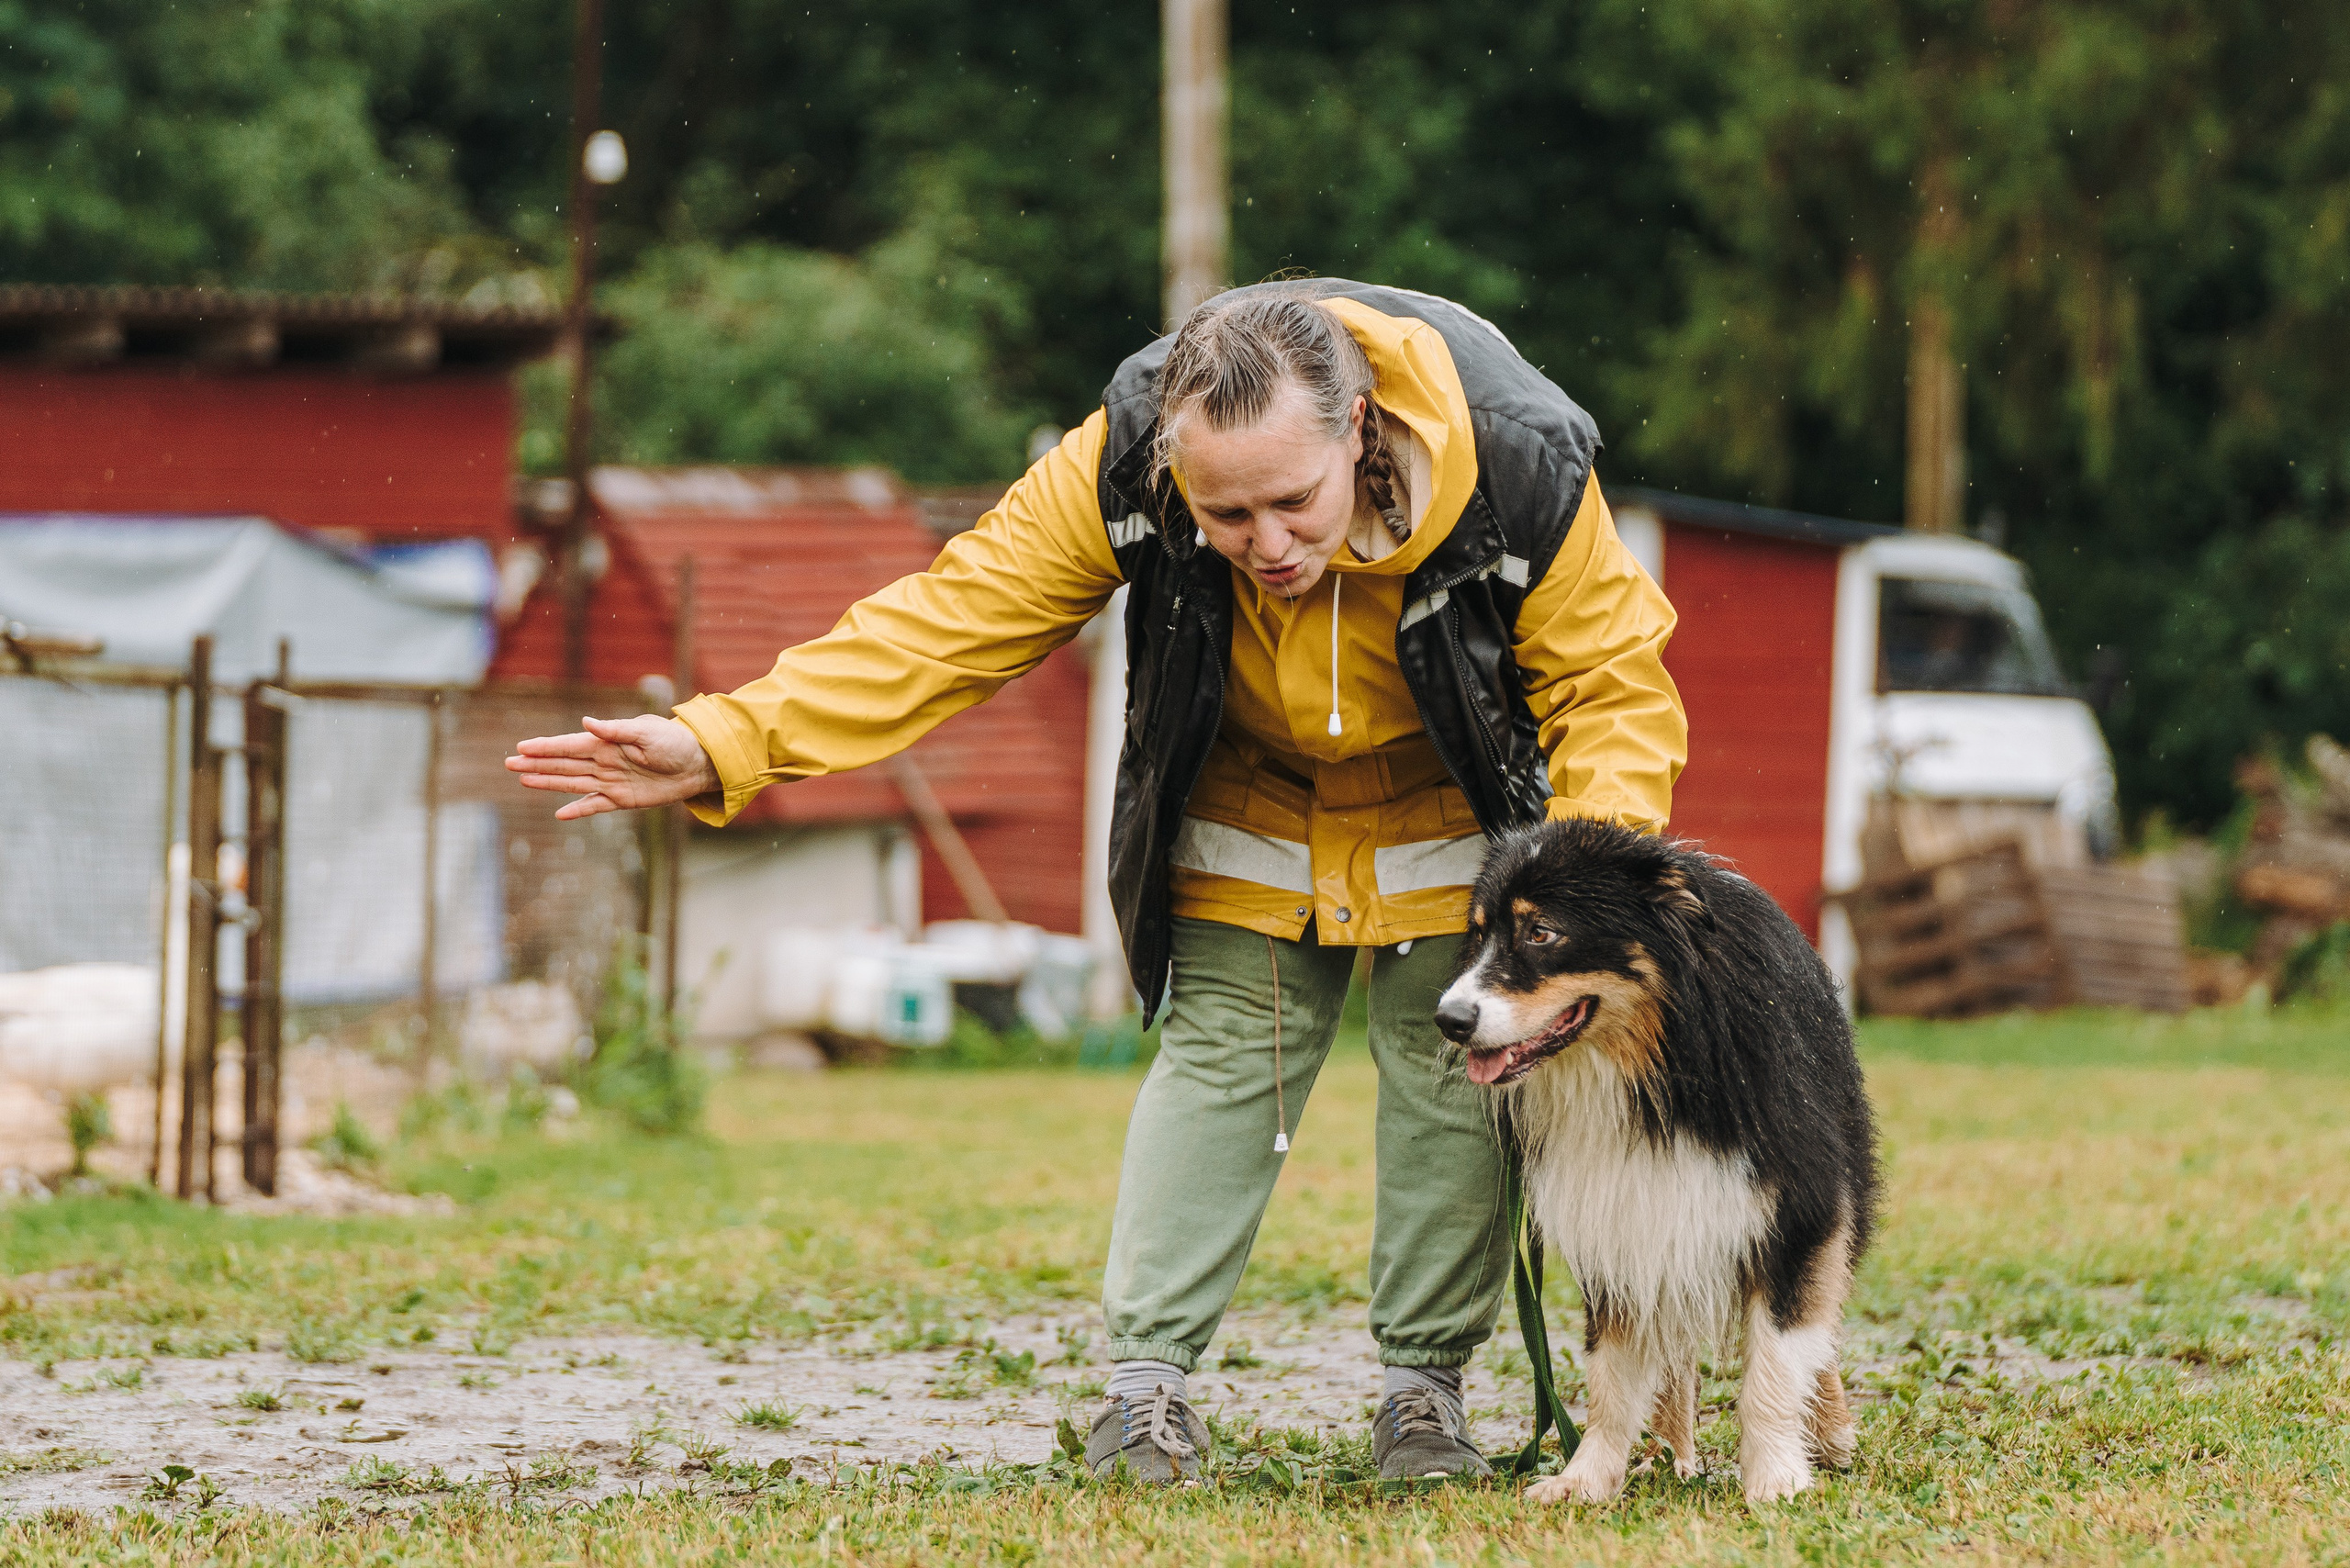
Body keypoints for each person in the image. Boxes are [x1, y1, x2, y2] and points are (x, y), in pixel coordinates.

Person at [509, 278, 1685, 1483]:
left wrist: (1580, 886)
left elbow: (1613, 690)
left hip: (1447, 806)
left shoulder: (1521, 464)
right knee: (1224, 1061)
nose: (1267, 545)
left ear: (1362, 428)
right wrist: (726, 739)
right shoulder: (1123, 461)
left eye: (1293, 502)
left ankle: (1422, 1402)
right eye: (1226, 515)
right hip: (1245, 798)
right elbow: (950, 622)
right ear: (1177, 465)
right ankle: (1146, 1395)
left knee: (1451, 1077)